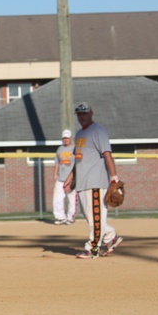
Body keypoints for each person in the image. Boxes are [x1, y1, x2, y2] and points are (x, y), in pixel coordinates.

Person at [64, 102, 123, 259]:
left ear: (91, 113)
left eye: (84, 113)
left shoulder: (98, 131)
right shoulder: (79, 134)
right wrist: (71, 177)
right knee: (91, 217)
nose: (82, 116)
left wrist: (114, 176)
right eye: (79, 114)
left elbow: (107, 154)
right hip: (82, 182)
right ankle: (111, 237)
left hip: (96, 182)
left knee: (95, 217)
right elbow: (79, 160)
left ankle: (92, 248)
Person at [52, 129, 77, 225]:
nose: (65, 140)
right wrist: (55, 174)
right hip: (60, 177)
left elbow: (77, 163)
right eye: (64, 138)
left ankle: (70, 217)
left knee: (71, 198)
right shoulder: (60, 149)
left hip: (71, 177)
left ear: (70, 138)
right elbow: (57, 162)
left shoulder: (75, 149)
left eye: (67, 138)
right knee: (57, 198)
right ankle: (60, 217)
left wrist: (74, 177)